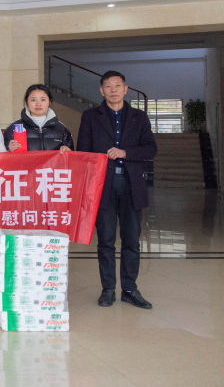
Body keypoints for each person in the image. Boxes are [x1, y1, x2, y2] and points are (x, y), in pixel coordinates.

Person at [77, 71, 157, 309]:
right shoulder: (91, 116)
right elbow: (84, 151)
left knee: (132, 241)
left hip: (132, 185)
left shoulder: (139, 117)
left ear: (125, 89)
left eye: (117, 85)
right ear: (101, 91)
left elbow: (151, 149)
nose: (113, 90)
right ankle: (108, 289)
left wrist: (125, 152)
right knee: (106, 241)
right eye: (108, 86)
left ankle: (130, 290)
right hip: (103, 185)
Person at [4, 84, 74, 153]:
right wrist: (8, 150)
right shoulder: (13, 128)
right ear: (26, 101)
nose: (38, 104)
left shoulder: (61, 129)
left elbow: (72, 156)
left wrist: (68, 151)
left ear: (49, 102)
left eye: (43, 100)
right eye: (33, 100)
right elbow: (1, 155)